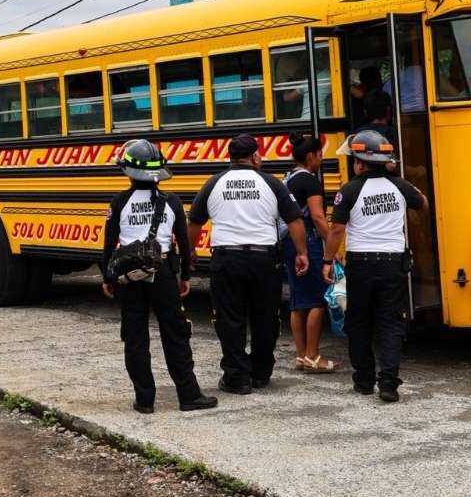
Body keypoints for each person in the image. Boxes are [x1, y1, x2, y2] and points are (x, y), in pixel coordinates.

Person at [100, 140, 218, 414]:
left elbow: (108, 243)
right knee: (176, 334)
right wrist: (185, 274)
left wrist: (108, 277)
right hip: (164, 273)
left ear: (128, 171)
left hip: (130, 277)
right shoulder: (172, 201)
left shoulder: (119, 202)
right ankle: (189, 396)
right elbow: (184, 243)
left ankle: (144, 400)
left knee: (135, 338)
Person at [188, 134, 307, 396]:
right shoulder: (271, 183)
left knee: (229, 319)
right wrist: (301, 253)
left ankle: (237, 377)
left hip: (226, 259)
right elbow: (295, 219)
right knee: (266, 317)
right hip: (264, 260)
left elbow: (194, 221)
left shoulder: (214, 183)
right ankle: (261, 374)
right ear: (255, 156)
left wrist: (189, 252)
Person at [323, 130, 426, 403]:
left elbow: (336, 231)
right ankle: (389, 384)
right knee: (391, 323)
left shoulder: (350, 190)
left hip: (361, 265)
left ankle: (364, 381)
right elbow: (422, 203)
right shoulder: (400, 186)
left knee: (358, 323)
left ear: (359, 162)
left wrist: (327, 260)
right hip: (393, 264)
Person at [283, 135, 334, 372]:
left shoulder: (289, 178)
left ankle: (301, 355)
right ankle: (314, 356)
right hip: (307, 242)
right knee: (317, 299)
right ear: (312, 155)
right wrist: (334, 244)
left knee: (298, 301)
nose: (322, 159)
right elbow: (317, 217)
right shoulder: (310, 181)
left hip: (289, 243)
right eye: (321, 154)